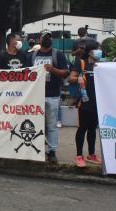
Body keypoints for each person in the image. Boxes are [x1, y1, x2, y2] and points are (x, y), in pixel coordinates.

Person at [28, 29, 68, 163]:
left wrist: (53, 69)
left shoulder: (58, 54)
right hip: (35, 96)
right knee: (35, 125)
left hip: (52, 96)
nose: (47, 39)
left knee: (51, 125)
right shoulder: (32, 56)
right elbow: (25, 73)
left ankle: (51, 152)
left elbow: (65, 72)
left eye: (49, 37)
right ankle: (36, 150)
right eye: (45, 37)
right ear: (40, 39)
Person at [68, 44, 103, 167]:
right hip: (84, 101)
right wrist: (78, 79)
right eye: (97, 49)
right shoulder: (81, 63)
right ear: (90, 52)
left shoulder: (101, 65)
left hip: (97, 102)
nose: (99, 51)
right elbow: (70, 78)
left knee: (93, 129)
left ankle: (91, 155)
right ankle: (79, 156)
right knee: (82, 128)